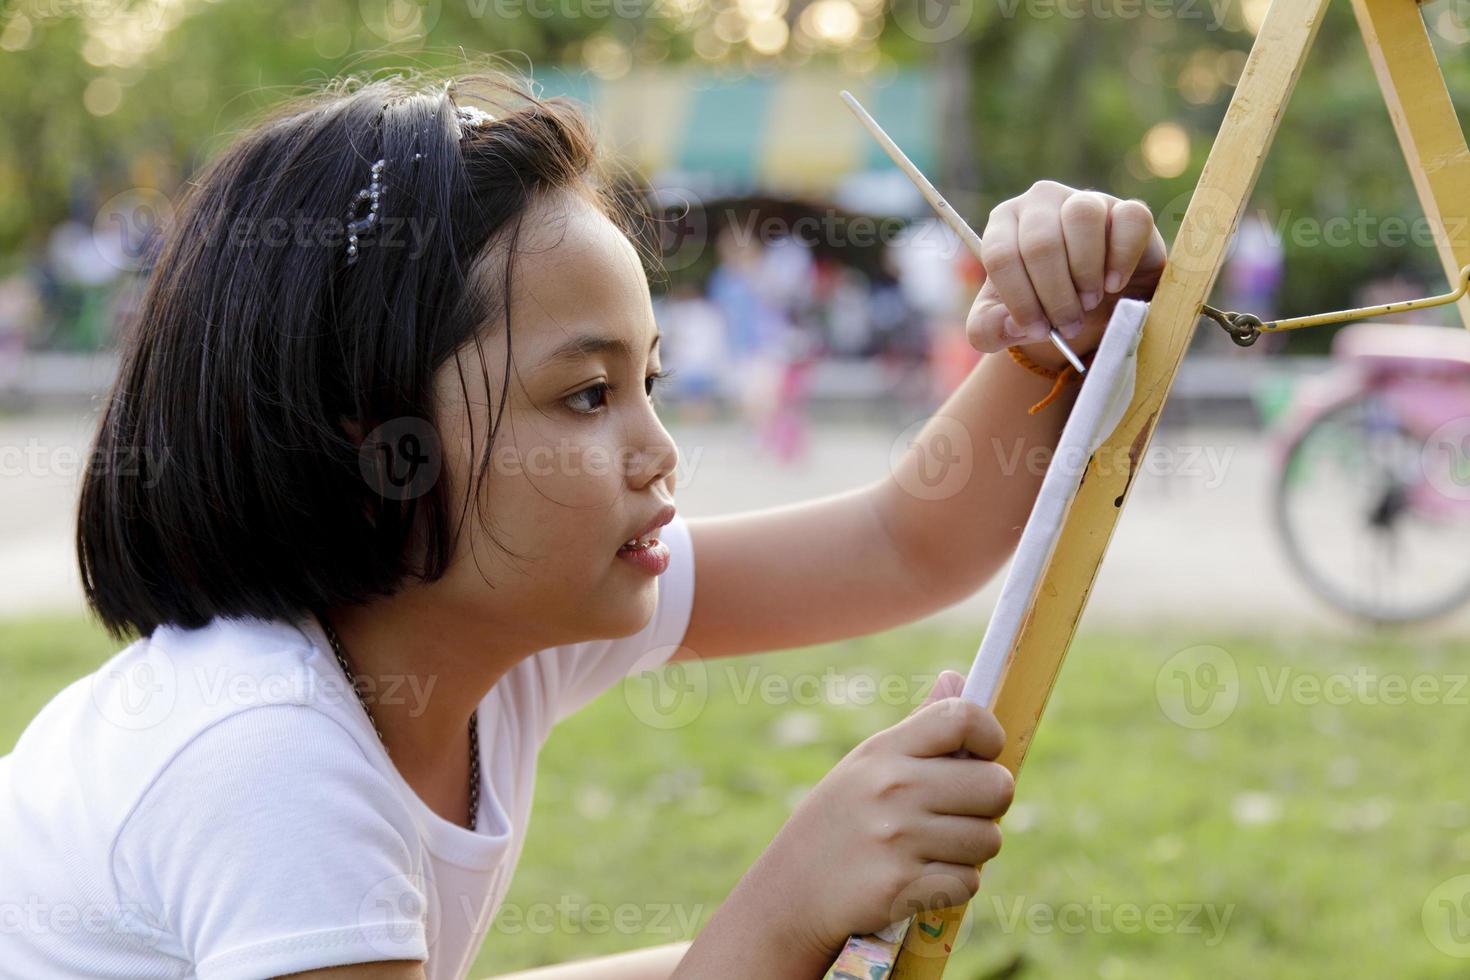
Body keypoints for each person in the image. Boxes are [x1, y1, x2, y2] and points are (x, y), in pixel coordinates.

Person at [0, 70, 1163, 980]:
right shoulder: (268, 756)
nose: (659, 450)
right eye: (588, 395)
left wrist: (1072, 323)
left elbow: (902, 543)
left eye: (649, 380)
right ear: (382, 453)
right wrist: (789, 898)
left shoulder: (477, 614)